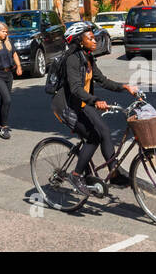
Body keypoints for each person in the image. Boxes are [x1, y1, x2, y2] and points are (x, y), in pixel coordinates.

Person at [54, 21, 139, 196]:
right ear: (79, 41)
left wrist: (124, 87)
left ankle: (113, 174)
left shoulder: (88, 57)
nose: (95, 41)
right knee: (93, 137)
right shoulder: (72, 60)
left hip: (82, 104)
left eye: (94, 37)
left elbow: (102, 80)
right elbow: (76, 89)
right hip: (66, 106)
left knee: (105, 132)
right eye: (90, 38)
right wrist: (96, 100)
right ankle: (76, 176)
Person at [0, 20, 23, 139]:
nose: (5, 34)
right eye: (3, 31)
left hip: (9, 75)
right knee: (7, 100)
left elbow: (14, 54)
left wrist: (18, 66)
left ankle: (0, 126)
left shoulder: (9, 43)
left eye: (6, 32)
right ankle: (4, 127)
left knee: (4, 101)